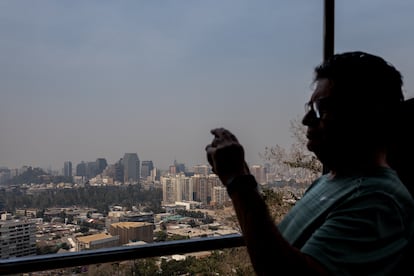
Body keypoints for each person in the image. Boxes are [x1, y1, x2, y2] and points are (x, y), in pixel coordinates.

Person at [205, 51, 414, 275]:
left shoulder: (379, 201)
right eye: (310, 108)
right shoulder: (330, 181)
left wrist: (238, 181)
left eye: (322, 109)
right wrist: (241, 175)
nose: (306, 120)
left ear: (365, 115)